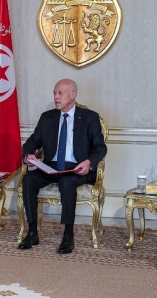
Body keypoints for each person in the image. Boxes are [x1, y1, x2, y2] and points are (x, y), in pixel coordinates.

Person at [18, 79, 107, 254]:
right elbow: (32, 141)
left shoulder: (90, 117)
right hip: (52, 167)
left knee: (67, 181)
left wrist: (88, 162)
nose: (56, 97)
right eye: (54, 93)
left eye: (60, 93)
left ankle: (68, 235)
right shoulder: (47, 117)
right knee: (29, 179)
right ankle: (33, 232)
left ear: (72, 95)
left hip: (77, 169)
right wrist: (28, 154)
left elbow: (100, 147)